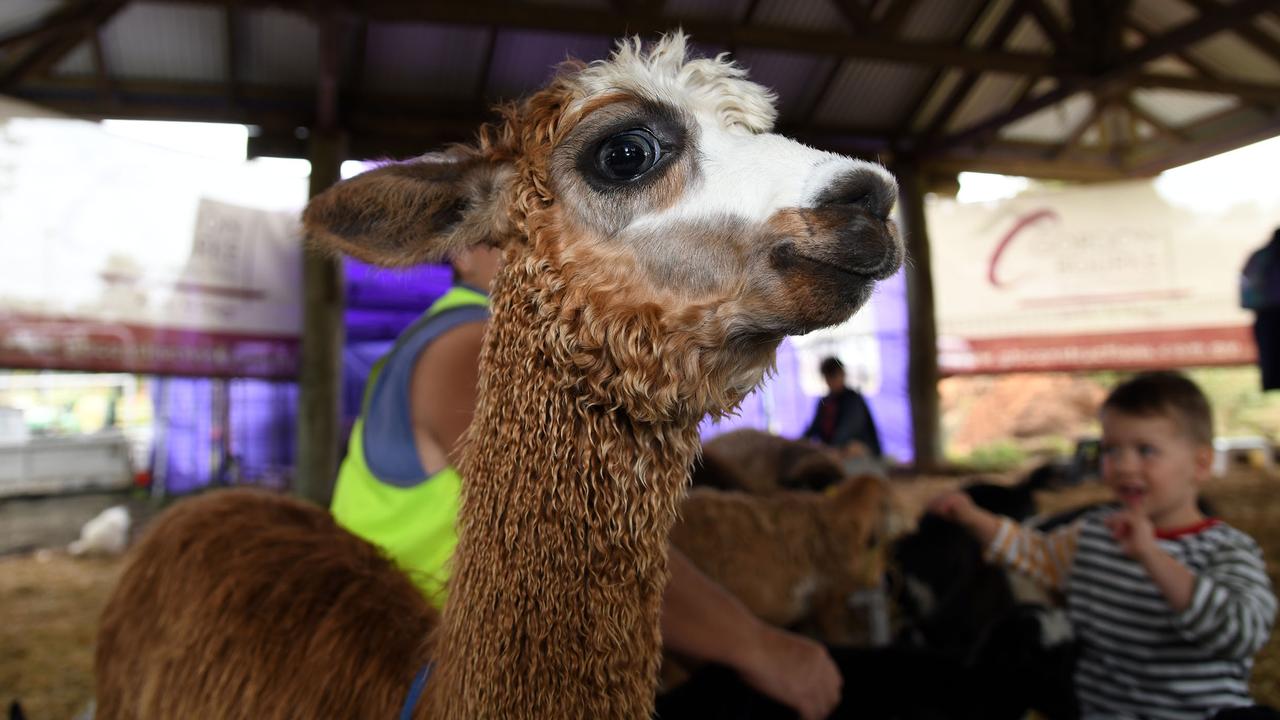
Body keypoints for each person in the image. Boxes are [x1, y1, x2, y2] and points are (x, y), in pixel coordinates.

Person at [331, 245, 842, 720]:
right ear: (463, 249)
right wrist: (758, 647)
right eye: (516, 230)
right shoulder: (471, 346)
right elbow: (579, 536)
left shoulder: (508, 341)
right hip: (420, 674)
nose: (548, 245)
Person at [929, 371, 1277, 719]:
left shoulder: (1226, 549)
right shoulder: (1094, 534)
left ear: (1200, 464)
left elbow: (1240, 633)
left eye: (1146, 450)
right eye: (1111, 450)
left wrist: (1152, 556)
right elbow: (1034, 553)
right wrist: (973, 518)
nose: (1124, 466)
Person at [803, 356, 881, 461]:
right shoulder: (825, 402)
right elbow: (813, 428)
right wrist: (800, 443)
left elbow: (849, 427)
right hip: (833, 450)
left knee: (854, 448)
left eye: (834, 376)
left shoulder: (853, 399)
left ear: (843, 375)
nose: (831, 381)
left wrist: (833, 448)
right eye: (828, 377)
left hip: (854, 450)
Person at [1241, 228, 1280, 391]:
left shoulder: (1260, 256)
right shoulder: (1262, 257)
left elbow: (1247, 288)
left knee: (1272, 362)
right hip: (1268, 315)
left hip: (1266, 316)